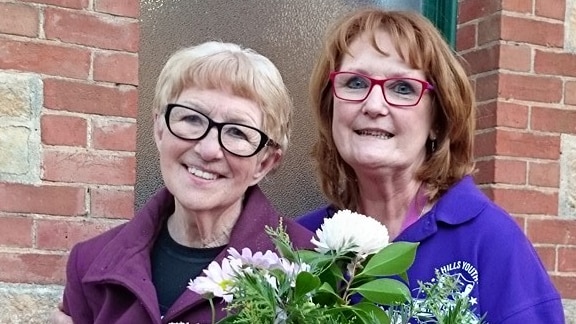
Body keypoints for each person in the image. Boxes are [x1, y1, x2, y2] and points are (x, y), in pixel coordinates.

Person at [297, 8, 565, 323]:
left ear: (437, 120)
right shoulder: (302, 242)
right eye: (355, 83)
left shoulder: (490, 240)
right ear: (331, 108)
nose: (373, 105)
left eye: (402, 88)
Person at [53, 41, 313, 323]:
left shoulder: (309, 267)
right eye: (191, 118)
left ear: (264, 163)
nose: (208, 149)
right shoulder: (90, 262)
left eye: (238, 132)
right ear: (159, 128)